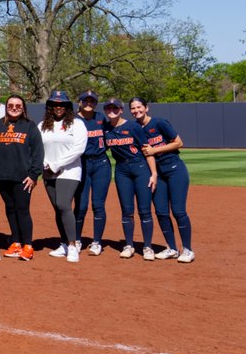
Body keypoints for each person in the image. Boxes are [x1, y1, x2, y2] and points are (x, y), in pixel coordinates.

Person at [133, 98, 194, 263]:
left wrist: (155, 150)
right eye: (133, 108)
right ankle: (172, 248)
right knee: (161, 211)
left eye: (139, 107)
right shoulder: (135, 128)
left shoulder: (159, 123)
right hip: (157, 174)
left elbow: (179, 143)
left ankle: (187, 250)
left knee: (178, 211)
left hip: (175, 170)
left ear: (146, 107)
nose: (136, 110)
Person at [102, 97, 158, 259]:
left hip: (140, 168)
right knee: (127, 210)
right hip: (121, 170)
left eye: (115, 108)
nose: (112, 111)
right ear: (105, 111)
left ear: (121, 110)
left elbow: (147, 150)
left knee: (144, 210)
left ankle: (147, 247)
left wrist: (153, 173)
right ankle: (129, 245)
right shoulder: (105, 129)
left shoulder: (133, 126)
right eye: (109, 109)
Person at [0, 95, 44, 261]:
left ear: (23, 108)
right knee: (10, 209)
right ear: (6, 107)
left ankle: (28, 245)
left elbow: (38, 152)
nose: (14, 108)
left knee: (22, 210)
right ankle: (16, 242)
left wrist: (34, 175)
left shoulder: (30, 126)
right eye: (11, 105)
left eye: (18, 105)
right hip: (2, 176)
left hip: (22, 178)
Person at [39, 90, 88, 262]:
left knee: (63, 205)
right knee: (57, 209)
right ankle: (64, 244)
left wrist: (56, 165)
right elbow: (38, 148)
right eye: (54, 104)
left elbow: (79, 149)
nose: (58, 107)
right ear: (49, 107)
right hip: (48, 171)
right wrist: (46, 163)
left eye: (62, 104)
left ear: (68, 106)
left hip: (69, 171)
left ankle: (73, 245)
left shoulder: (77, 124)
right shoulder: (42, 125)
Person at [75, 91, 111, 255]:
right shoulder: (73, 120)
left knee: (98, 205)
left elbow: (110, 139)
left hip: (101, 163)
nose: (89, 103)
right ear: (80, 102)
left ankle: (96, 242)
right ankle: (76, 239)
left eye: (92, 101)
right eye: (86, 100)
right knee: (81, 206)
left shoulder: (101, 118)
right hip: (81, 164)